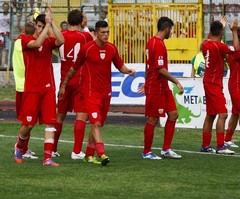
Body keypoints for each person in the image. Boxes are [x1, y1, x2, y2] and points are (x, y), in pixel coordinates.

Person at [58, 20, 135, 166]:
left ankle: (88, 154)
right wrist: (64, 84)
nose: (106, 35)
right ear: (96, 34)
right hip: (90, 93)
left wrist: (128, 71)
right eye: (103, 32)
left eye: (107, 32)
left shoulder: (112, 48)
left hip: (106, 93)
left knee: (99, 124)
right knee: (96, 123)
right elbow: (74, 69)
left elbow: (120, 66)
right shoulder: (86, 49)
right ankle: (102, 153)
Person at [13, 8, 65, 166]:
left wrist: (52, 23)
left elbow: (61, 41)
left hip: (48, 89)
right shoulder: (24, 40)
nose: (42, 29)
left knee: (50, 123)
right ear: (35, 25)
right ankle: (19, 146)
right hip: (31, 89)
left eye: (44, 27)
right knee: (28, 125)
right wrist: (47, 26)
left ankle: (47, 158)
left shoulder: (49, 42)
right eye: (40, 26)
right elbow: (36, 43)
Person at [52, 9, 94, 161]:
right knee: (81, 115)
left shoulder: (61, 35)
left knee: (60, 115)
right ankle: (76, 151)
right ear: (81, 21)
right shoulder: (85, 36)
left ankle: (52, 149)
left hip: (64, 80)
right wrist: (86, 26)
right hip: (80, 81)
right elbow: (98, 43)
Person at [141, 16, 184, 160]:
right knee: (153, 119)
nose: (171, 32)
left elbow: (149, 66)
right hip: (156, 87)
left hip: (162, 87)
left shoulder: (152, 42)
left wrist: (146, 81)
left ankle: (166, 149)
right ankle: (146, 152)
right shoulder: (157, 44)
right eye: (170, 30)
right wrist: (176, 81)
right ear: (166, 29)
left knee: (173, 114)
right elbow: (160, 69)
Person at [200, 17, 239, 154]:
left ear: (210, 32)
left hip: (208, 82)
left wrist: (219, 27)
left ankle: (205, 145)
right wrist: (234, 31)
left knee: (211, 115)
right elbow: (236, 49)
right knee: (222, 114)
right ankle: (221, 146)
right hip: (214, 84)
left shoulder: (205, 45)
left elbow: (205, 41)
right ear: (221, 33)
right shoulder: (219, 47)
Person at [12, 22, 38, 160]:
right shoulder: (26, 43)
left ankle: (23, 148)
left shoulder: (19, 40)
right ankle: (21, 148)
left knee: (28, 120)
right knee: (28, 121)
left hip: (21, 85)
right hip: (26, 86)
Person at [224, 27, 240, 148]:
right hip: (236, 86)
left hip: (236, 85)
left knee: (235, 113)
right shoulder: (234, 51)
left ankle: (227, 139)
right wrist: (234, 31)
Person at [0, 2, 10, 68]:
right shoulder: (0, 15)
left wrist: (9, 22)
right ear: (2, 8)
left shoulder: (10, 15)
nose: (5, 8)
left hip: (7, 33)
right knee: (0, 49)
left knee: (7, 49)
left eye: (7, 7)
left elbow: (12, 25)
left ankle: (6, 64)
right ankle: (0, 64)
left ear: (8, 8)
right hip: (1, 33)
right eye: (4, 7)